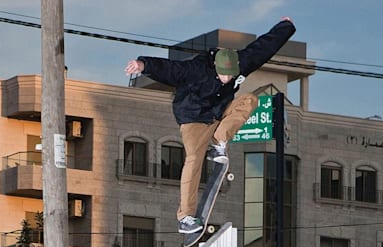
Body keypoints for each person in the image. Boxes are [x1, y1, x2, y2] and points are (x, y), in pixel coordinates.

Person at [125, 17, 296, 235]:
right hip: (193, 118)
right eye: (223, 75)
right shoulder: (196, 69)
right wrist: (143, 65)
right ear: (215, 67)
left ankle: (219, 142)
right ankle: (185, 217)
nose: (227, 79)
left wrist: (285, 27)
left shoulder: (241, 63)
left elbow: (263, 48)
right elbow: (171, 69)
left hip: (218, 113)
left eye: (231, 75)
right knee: (194, 158)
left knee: (251, 100)